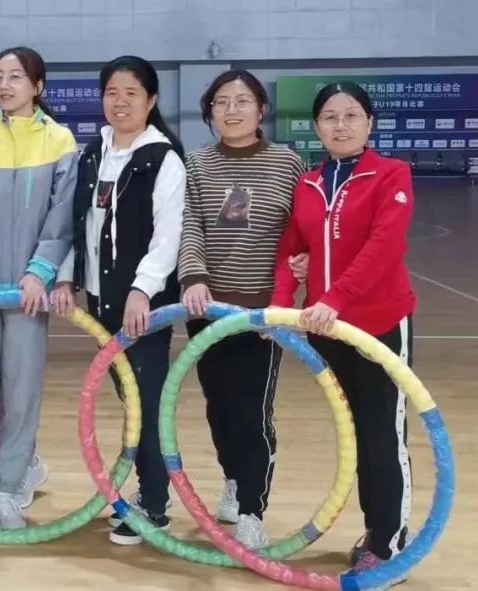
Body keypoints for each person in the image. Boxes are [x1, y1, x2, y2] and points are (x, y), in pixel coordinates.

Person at [272, 81, 416, 581]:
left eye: (351, 115)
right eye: (330, 117)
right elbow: (290, 251)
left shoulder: (391, 174)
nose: (341, 125)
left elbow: (383, 246)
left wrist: (335, 296)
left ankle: (389, 543)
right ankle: (375, 531)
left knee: (383, 434)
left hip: (378, 325)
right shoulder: (309, 184)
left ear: (369, 122)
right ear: (316, 127)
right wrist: (278, 309)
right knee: (355, 434)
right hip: (326, 331)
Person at [51, 56, 186, 545]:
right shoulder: (93, 154)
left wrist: (141, 289)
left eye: (132, 93)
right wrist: (67, 278)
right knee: (132, 403)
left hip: (143, 308)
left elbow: (168, 237)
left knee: (146, 404)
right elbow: (79, 225)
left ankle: (155, 507)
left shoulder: (164, 159)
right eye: (112, 92)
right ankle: (146, 494)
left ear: (151, 100)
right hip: (102, 304)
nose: (120, 102)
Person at [176, 69, 308, 549]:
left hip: (260, 318)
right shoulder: (196, 164)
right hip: (207, 312)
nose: (231, 110)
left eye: (242, 101)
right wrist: (193, 277)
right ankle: (233, 478)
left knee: (252, 414)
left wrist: (294, 281)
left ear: (261, 109)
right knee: (220, 407)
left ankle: (253, 508)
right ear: (209, 111)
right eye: (221, 102)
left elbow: (299, 232)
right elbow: (189, 225)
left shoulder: (286, 163)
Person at [0, 46, 78, 529]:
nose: (4, 85)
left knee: (22, 389)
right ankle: (26, 461)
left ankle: (5, 491)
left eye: (16, 76)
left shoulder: (59, 140)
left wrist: (40, 271)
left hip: (27, 291)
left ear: (37, 86)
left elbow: (62, 213)